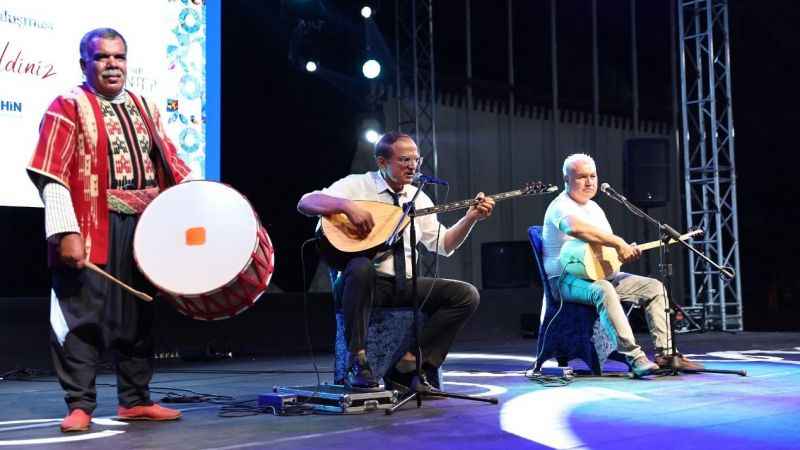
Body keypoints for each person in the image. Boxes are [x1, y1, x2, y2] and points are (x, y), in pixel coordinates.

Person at [27, 28, 191, 432]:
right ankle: (80, 404)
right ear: (84, 63)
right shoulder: (68, 105)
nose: (112, 64)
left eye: (119, 56)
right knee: (81, 314)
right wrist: (66, 231)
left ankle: (135, 400)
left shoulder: (145, 106)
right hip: (92, 223)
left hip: (143, 226)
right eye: (102, 57)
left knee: (139, 313)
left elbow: (171, 164)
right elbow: (52, 174)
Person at [297, 131, 495, 390]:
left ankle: (412, 363)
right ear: (382, 162)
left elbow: (444, 245)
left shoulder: (418, 197)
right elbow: (306, 202)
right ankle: (358, 361)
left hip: (405, 285)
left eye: (416, 160)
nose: (412, 166)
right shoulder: (357, 185)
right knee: (360, 267)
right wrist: (348, 206)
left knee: (465, 295)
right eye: (404, 160)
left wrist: (470, 219)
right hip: (363, 285)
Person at [541, 153, 703, 377]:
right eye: (581, 177)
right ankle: (634, 358)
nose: (589, 182)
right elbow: (575, 229)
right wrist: (618, 242)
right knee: (604, 289)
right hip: (564, 280)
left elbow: (602, 251)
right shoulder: (561, 205)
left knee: (654, 287)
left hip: (596, 275)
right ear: (567, 180)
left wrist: (622, 253)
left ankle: (666, 354)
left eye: (593, 176)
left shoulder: (595, 208)